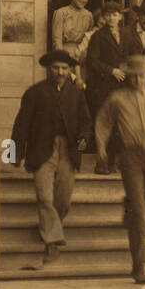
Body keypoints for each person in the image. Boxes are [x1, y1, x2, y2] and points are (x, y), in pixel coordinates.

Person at [95, 55, 145, 284]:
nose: (138, 80)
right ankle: (138, 268)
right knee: (140, 215)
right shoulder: (117, 98)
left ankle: (129, 206)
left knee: (144, 201)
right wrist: (101, 147)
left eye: (142, 75)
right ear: (128, 76)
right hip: (130, 155)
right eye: (134, 76)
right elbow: (103, 122)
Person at [10, 50, 92, 265]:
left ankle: (50, 229)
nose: (60, 72)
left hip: (68, 151)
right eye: (56, 68)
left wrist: (84, 138)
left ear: (69, 71)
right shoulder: (34, 93)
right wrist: (15, 155)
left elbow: (86, 121)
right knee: (45, 197)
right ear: (48, 69)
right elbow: (21, 126)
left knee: (63, 199)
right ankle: (52, 243)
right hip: (41, 150)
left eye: (64, 68)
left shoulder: (76, 94)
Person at [83, 1, 142, 172]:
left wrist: (128, 68)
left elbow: (135, 54)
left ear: (120, 16)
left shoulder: (127, 35)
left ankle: (116, 161)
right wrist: (111, 71)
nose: (111, 18)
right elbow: (92, 60)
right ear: (103, 17)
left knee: (121, 122)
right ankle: (102, 161)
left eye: (114, 15)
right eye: (107, 15)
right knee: (105, 122)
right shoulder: (98, 36)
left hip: (123, 85)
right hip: (103, 86)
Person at [51, 0, 94, 78]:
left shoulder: (89, 15)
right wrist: (62, 59)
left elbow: (90, 37)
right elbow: (57, 40)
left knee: (81, 84)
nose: (84, 0)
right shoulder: (61, 13)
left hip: (83, 54)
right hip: (65, 53)